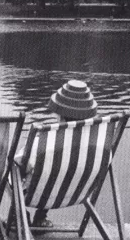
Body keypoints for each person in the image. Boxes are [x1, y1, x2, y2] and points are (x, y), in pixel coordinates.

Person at [15, 79, 98, 231]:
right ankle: (40, 218)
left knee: (14, 172)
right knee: (57, 173)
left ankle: (19, 214)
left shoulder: (43, 141)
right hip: (76, 194)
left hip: (36, 195)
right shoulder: (98, 145)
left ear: (60, 114)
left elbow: (19, 164)